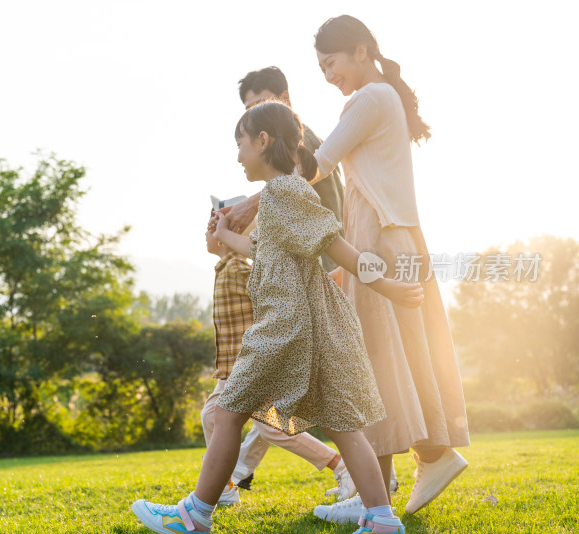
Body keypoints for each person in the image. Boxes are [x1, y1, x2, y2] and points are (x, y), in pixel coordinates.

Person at [131, 101, 423, 534]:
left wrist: (390, 288)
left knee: (228, 412)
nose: (237, 156)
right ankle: (382, 520)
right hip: (313, 328)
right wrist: (226, 236)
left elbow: (337, 248)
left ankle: (194, 516)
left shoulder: (284, 192)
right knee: (344, 425)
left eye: (241, 144)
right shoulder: (281, 197)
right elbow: (266, 253)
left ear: (263, 141)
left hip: (286, 327)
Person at [224, 15, 471, 525]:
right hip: (389, 231)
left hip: (378, 233)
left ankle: (400, 474)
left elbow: (319, 163)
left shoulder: (369, 99)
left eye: (331, 63)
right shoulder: (383, 97)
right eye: (320, 67)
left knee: (372, 364)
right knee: (388, 361)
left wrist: (256, 199)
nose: (328, 75)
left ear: (360, 51)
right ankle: (406, 467)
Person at [201, 202, 355, 505]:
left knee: (270, 427)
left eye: (212, 225)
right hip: (232, 366)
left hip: (254, 362)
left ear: (227, 235)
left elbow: (288, 291)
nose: (206, 231)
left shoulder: (238, 268)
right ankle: (226, 486)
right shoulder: (225, 267)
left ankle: (341, 465)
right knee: (212, 415)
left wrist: (335, 276)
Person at [236, 66, 345, 272]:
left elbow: (285, 189)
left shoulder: (300, 145)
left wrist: (247, 208)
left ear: (285, 99)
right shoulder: (300, 145)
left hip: (325, 269)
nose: (254, 117)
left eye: (261, 104)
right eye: (249, 111)